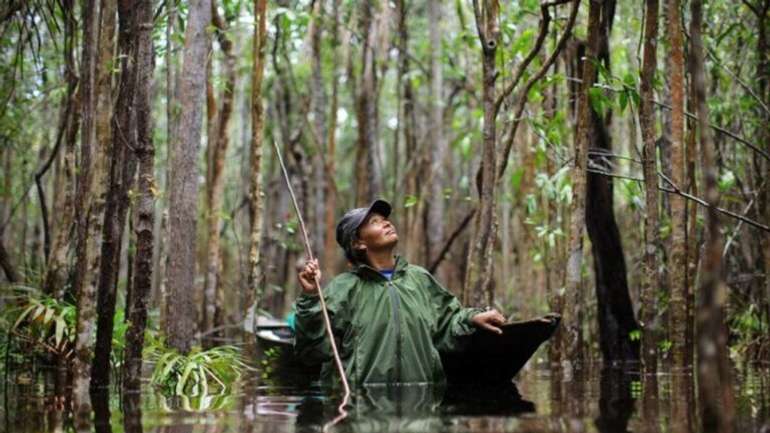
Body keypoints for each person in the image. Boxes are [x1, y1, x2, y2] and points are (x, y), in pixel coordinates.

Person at [294, 199, 506, 385]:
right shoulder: (343, 289)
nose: (387, 222)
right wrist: (311, 297)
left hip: (422, 406)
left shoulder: (419, 279)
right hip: (363, 410)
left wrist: (472, 317)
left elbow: (447, 324)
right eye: (374, 222)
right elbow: (312, 351)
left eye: (385, 219)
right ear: (358, 243)